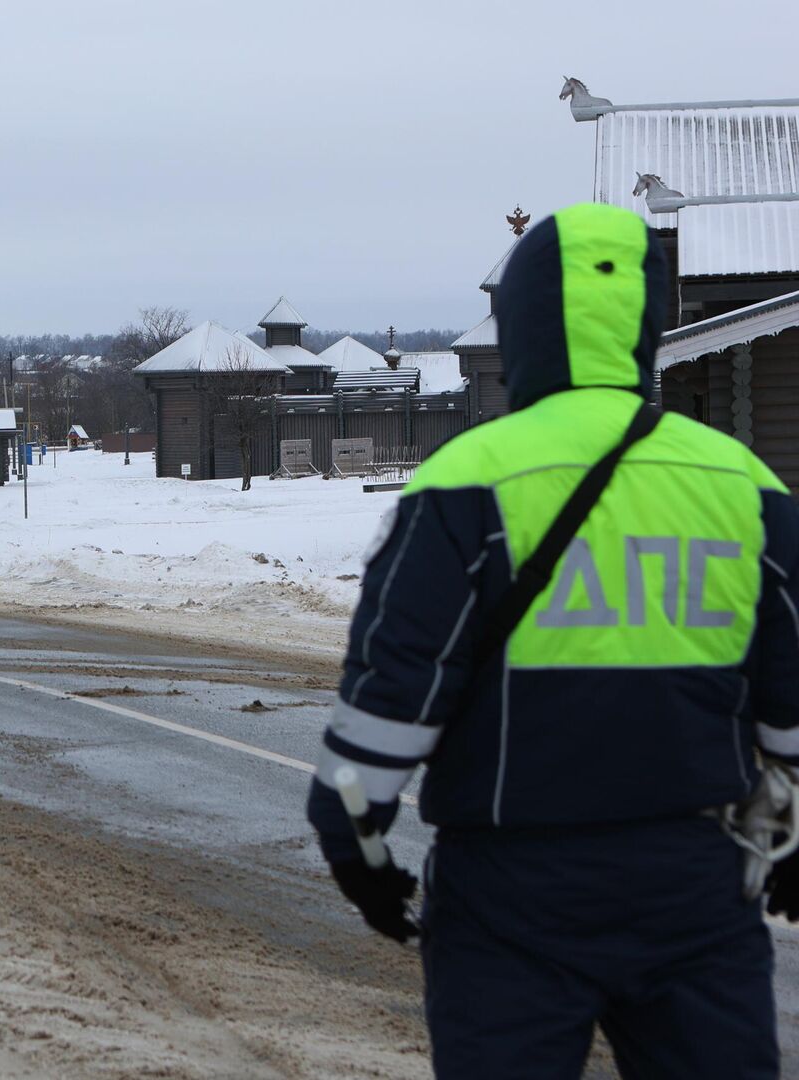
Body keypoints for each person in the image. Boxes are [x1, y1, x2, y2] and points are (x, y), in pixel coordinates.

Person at [306, 202, 799, 1078]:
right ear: (651, 321)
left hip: (508, 892)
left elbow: (391, 702)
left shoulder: (462, 482)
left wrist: (358, 849)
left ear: (525, 322)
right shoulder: (744, 484)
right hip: (696, 884)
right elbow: (794, 697)